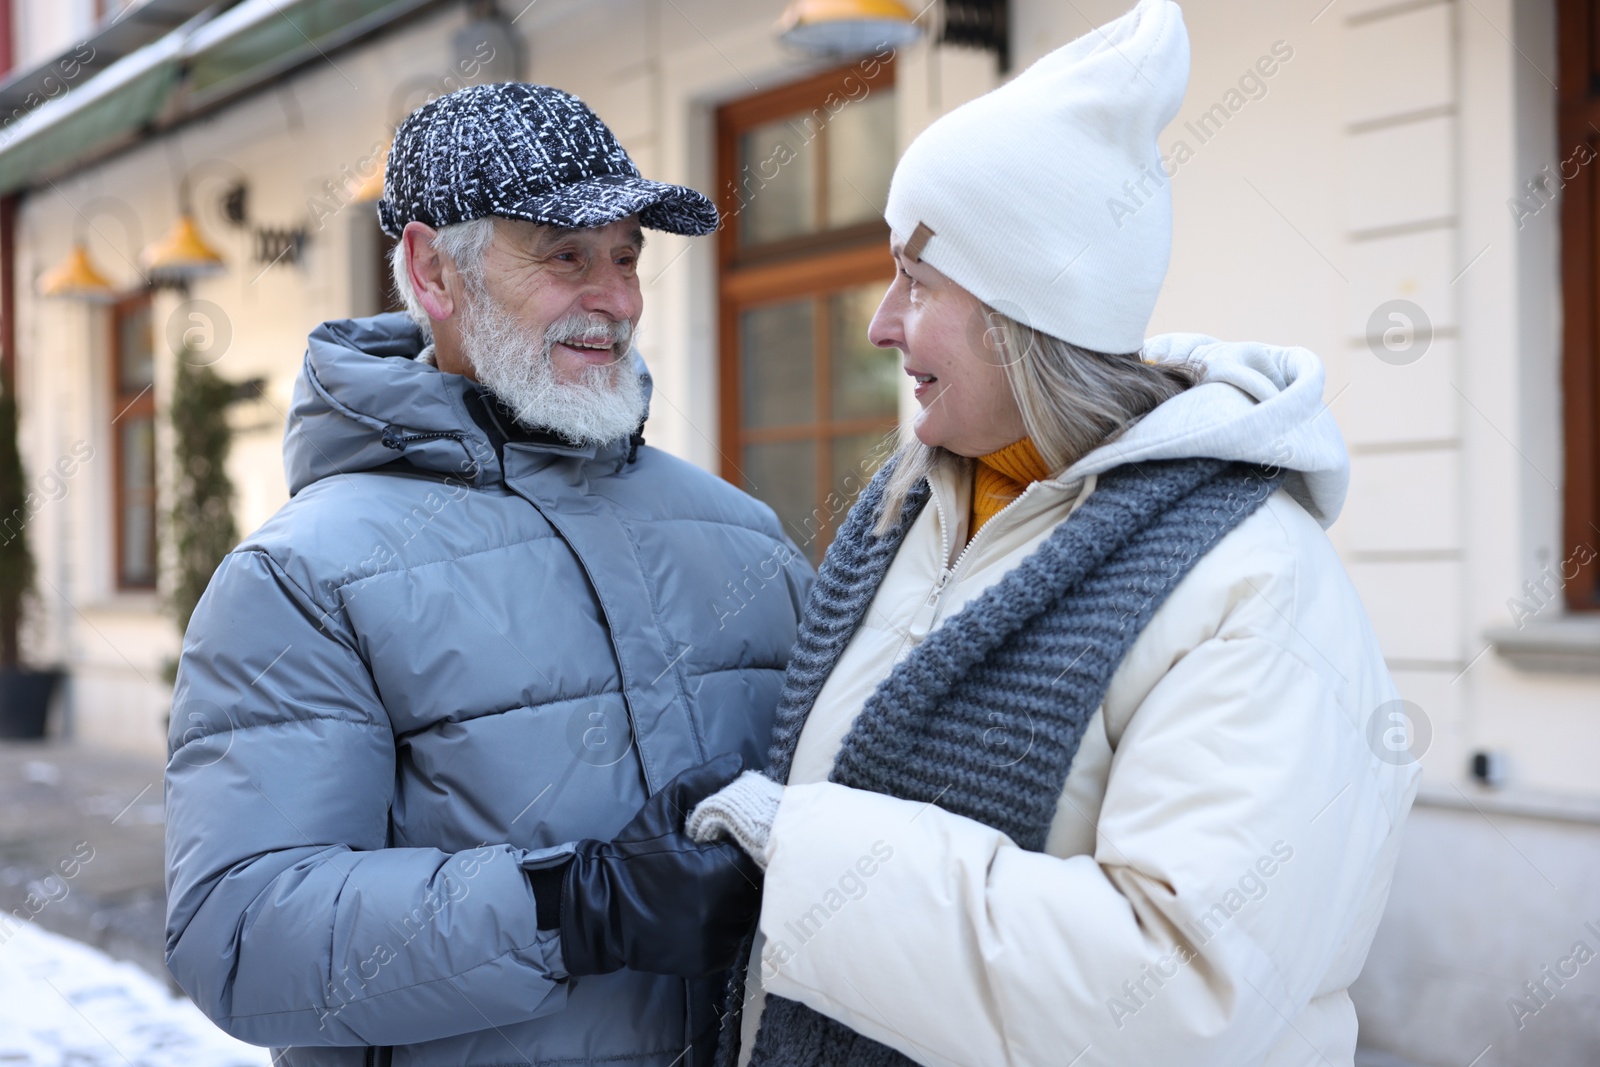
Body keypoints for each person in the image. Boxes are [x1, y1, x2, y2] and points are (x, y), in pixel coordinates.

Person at [686, 3, 1420, 1065]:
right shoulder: (903, 518)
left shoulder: (1253, 586)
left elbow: (1179, 998)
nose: (880, 323)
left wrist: (794, 858)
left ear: (1026, 315)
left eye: (918, 280)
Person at [164, 83, 811, 1067]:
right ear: (432, 270)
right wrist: (572, 907)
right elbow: (242, 934)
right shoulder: (304, 577)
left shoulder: (746, 536)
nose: (618, 299)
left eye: (627, 256)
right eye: (565, 255)